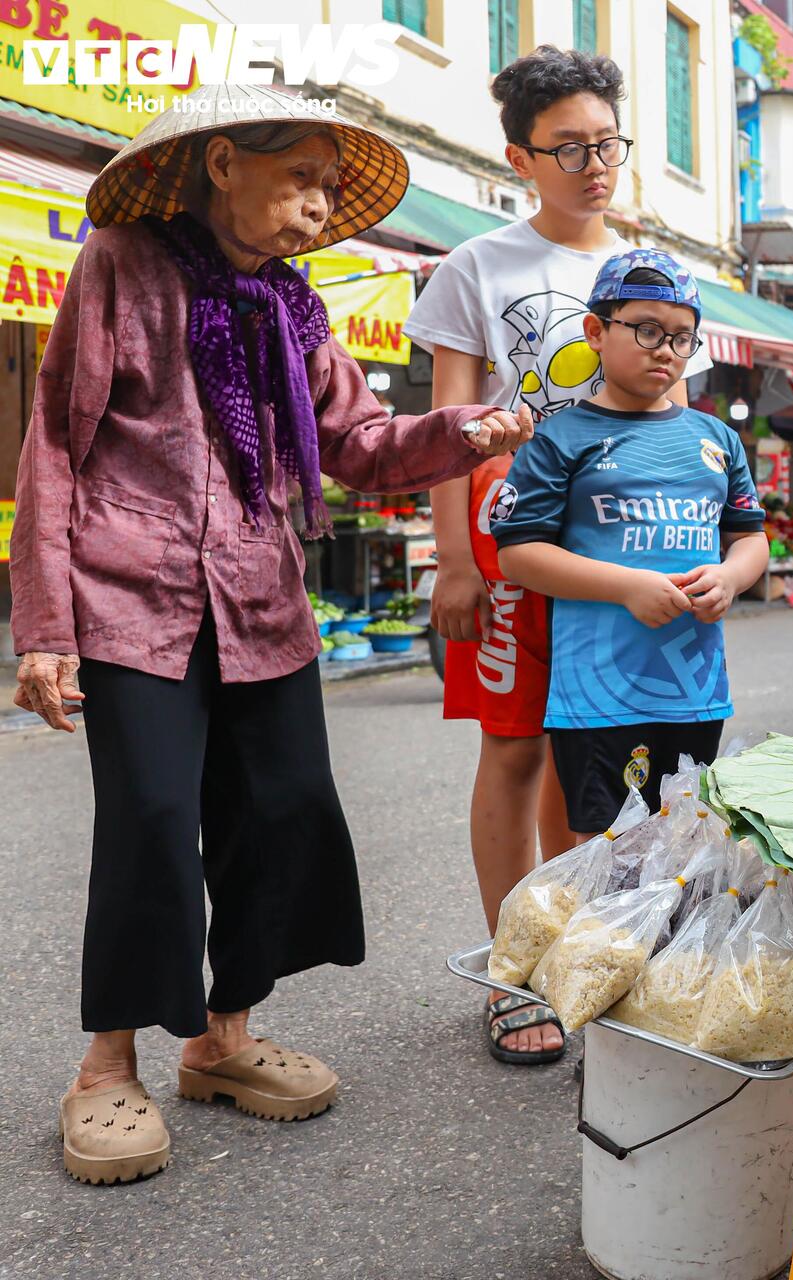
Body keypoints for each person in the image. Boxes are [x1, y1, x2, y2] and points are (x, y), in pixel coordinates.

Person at [10, 86, 531, 1186]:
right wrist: (44, 624)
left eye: (329, 187)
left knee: (280, 807)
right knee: (152, 816)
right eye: (300, 176)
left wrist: (461, 430)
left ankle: (220, 1038)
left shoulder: (296, 306)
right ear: (221, 169)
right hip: (130, 588)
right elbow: (58, 437)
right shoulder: (123, 260)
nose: (316, 202)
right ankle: (107, 1065)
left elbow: (358, 441)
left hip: (260, 593)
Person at [403, 46, 714, 1064]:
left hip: (622, 553)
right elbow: (450, 422)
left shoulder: (660, 273)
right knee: (515, 744)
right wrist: (455, 556)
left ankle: (581, 944)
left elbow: (678, 424)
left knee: (595, 753)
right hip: (510, 542)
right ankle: (513, 966)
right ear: (518, 157)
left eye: (608, 143)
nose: (594, 164)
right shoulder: (478, 269)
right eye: (568, 147)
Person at [493, 250, 768, 836]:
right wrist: (627, 587)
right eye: (646, 329)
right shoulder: (559, 439)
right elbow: (517, 553)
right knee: (606, 856)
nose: (664, 349)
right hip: (597, 695)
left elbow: (750, 537)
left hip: (696, 691)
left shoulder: (717, 438)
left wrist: (731, 576)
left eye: (682, 338)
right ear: (596, 330)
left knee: (686, 848)